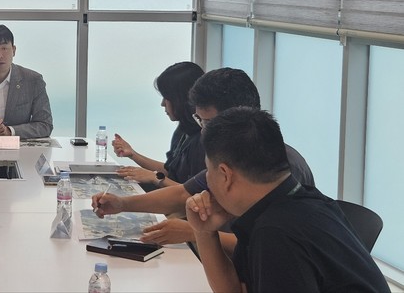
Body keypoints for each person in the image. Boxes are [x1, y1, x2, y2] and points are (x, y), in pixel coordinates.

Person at [92, 68, 314, 250]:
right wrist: (122, 204)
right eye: (200, 121)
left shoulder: (281, 165)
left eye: (207, 122)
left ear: (235, 116)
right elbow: (183, 193)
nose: (203, 131)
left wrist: (197, 233)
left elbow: (271, 247)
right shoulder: (229, 156)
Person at [186, 107, 388, 292]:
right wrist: (204, 232)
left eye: (208, 171)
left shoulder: (276, 232)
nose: (207, 181)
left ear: (225, 175)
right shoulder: (306, 201)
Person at [113, 62, 205, 188]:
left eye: (166, 98)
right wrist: (133, 154)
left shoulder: (203, 140)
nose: (162, 104)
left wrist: (154, 177)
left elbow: (191, 192)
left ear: (181, 99)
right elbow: (170, 172)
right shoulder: (183, 131)